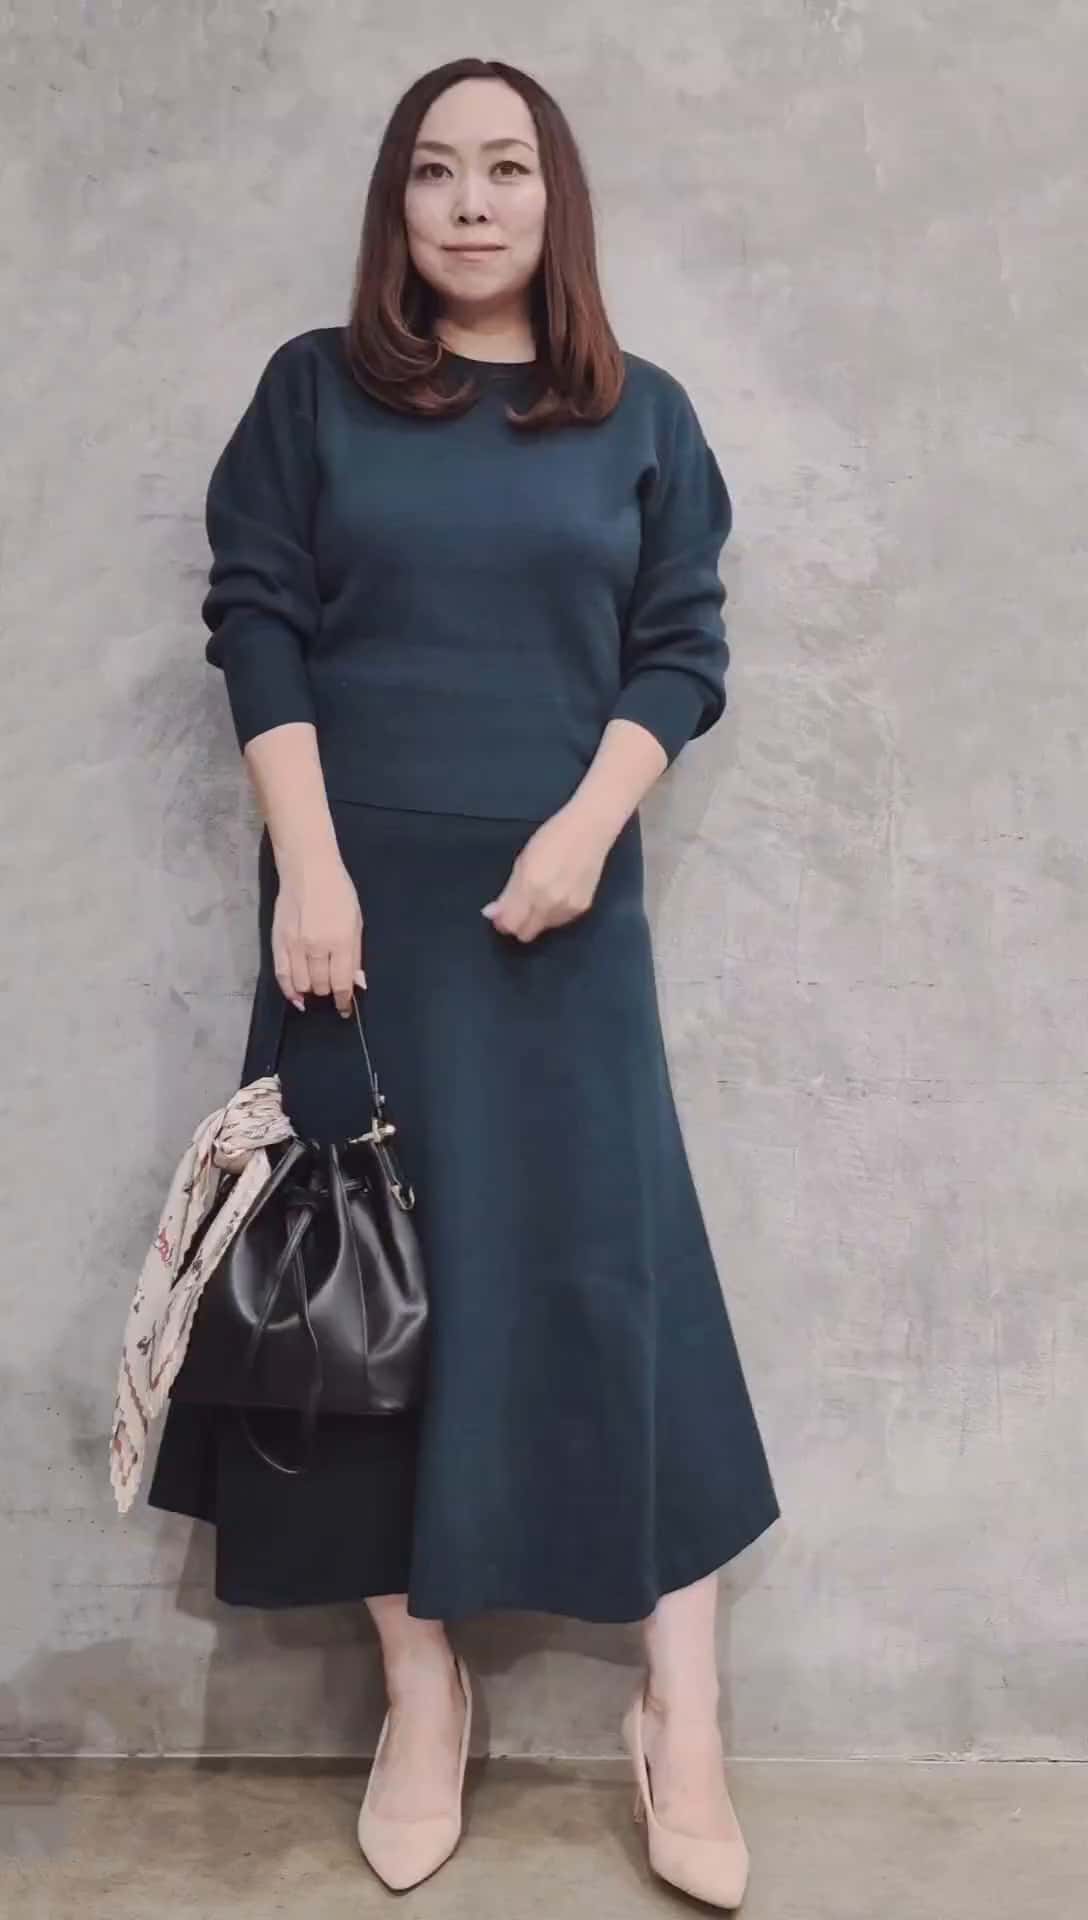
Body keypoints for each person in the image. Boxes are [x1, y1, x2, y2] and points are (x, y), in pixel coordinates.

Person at [146, 54, 781, 1907]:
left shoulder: (643, 414)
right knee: (356, 1305)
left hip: (564, 913)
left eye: (508, 167)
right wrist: (312, 869)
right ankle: (422, 1699)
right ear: (397, 204)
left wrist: (585, 831)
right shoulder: (312, 394)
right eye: (436, 171)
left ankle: (683, 1709)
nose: (474, 200)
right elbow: (257, 618)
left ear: (553, 198)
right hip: (351, 924)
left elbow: (680, 649)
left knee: (611, 1278)